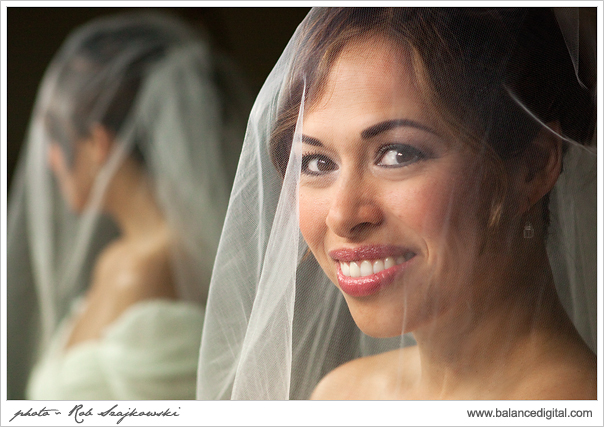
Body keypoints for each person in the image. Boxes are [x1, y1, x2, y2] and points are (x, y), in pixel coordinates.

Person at [196, 7, 597, 400]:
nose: (342, 216)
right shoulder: (341, 396)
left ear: (534, 167)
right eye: (317, 162)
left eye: (398, 155)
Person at [7, 12, 250, 400]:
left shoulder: (144, 271)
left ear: (97, 144)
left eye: (56, 138)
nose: (49, 160)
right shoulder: (118, 259)